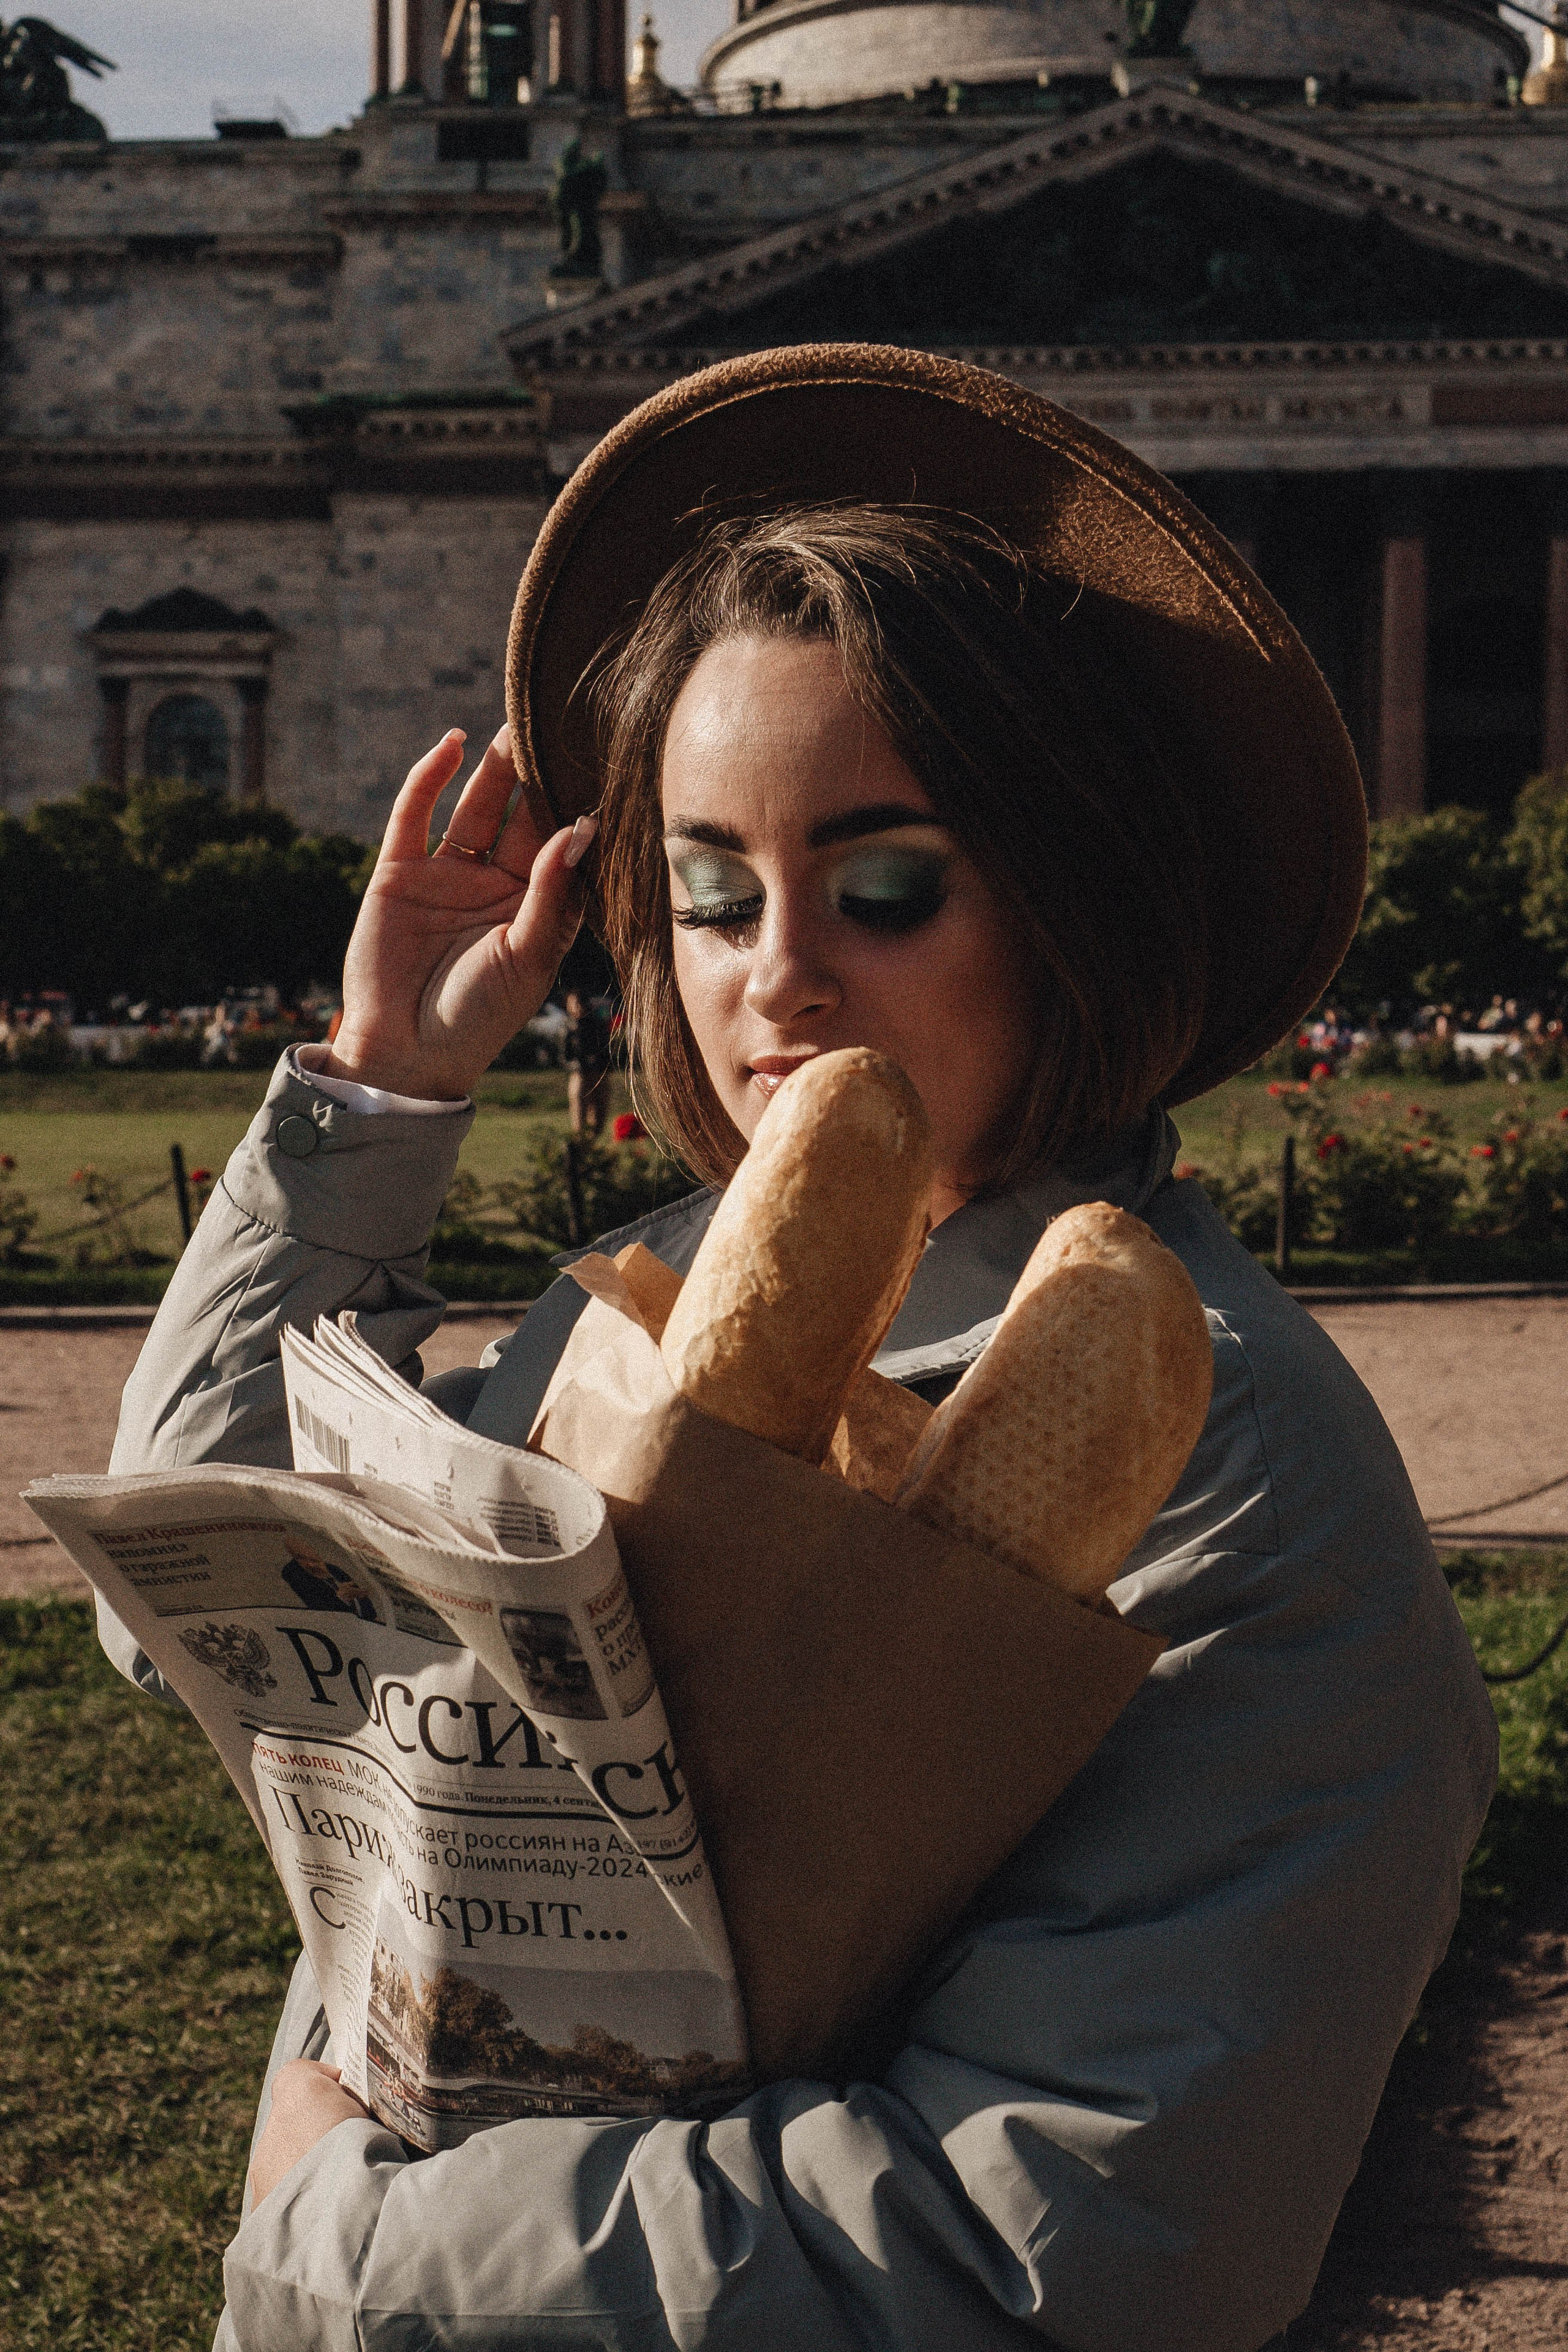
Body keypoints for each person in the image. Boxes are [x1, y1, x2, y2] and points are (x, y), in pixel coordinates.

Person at [99, 347, 1495, 2352]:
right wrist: (379, 1092)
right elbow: (192, 1606)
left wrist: (344, 2233)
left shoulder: (1227, 1466)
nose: (777, 977)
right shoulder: (645, 1306)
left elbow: (1064, 2256)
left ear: (1070, 893)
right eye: (706, 889)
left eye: (886, 882)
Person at [561, 982, 610, 1137]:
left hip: (598, 1072)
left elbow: (605, 1048)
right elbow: (565, 1056)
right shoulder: (569, 1028)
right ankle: (579, 1137)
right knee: (579, 1099)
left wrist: (598, 1062)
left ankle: (593, 1139)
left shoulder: (597, 1025)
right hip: (580, 1073)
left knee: (598, 1114)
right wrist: (578, 1064)